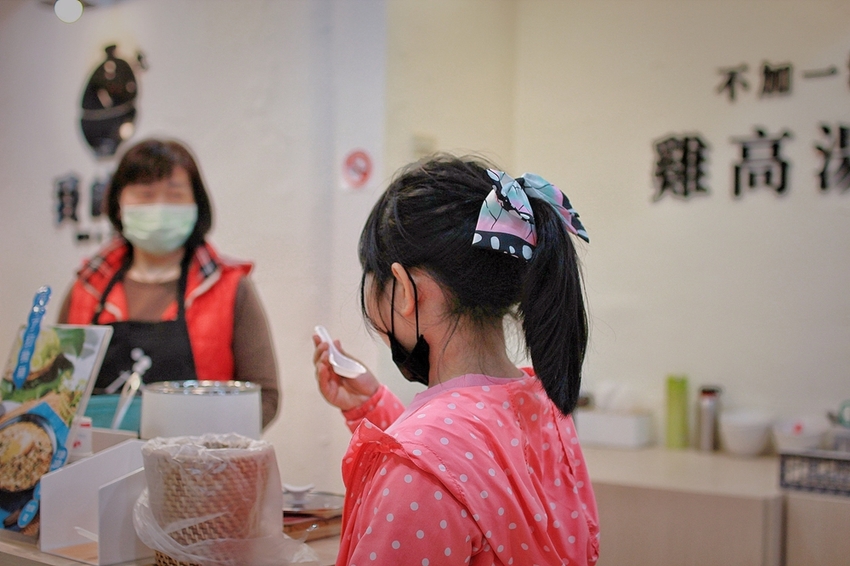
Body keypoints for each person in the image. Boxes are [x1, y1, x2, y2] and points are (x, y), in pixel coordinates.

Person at [312, 155, 599, 565]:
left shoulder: (418, 473)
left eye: (372, 274)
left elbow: (439, 466)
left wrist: (404, 449)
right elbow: (470, 470)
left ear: (406, 290)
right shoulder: (545, 405)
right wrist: (370, 407)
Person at [59, 138, 279, 428]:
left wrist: (208, 445)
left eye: (174, 195)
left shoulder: (230, 288)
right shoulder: (87, 288)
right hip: (98, 455)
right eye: (145, 194)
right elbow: (54, 391)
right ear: (118, 205)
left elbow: (265, 397)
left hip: (198, 456)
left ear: (196, 204)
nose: (159, 207)